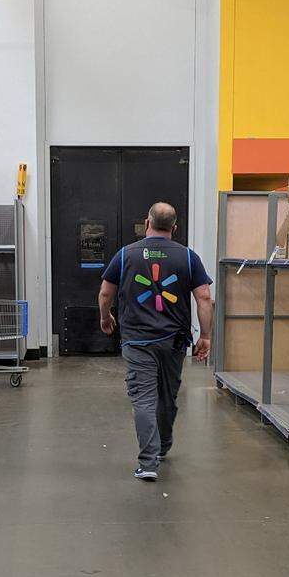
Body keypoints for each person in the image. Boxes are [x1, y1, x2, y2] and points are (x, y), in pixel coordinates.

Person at [98, 202, 213, 482]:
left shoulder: (125, 255)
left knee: (144, 399)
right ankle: (162, 446)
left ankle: (148, 462)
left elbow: (105, 293)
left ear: (147, 223)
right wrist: (206, 336)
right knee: (167, 396)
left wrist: (105, 317)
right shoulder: (188, 257)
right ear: (174, 227)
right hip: (174, 341)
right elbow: (204, 298)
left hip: (137, 340)